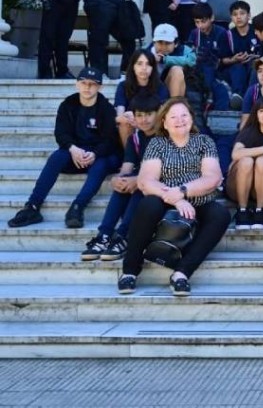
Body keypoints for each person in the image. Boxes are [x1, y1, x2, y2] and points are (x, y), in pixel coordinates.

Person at [117, 98, 230, 296]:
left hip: (198, 200)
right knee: (148, 205)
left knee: (220, 214)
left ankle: (182, 273)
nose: (180, 120)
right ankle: (130, 270)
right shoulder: (157, 143)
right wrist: (176, 198)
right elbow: (145, 181)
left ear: (192, 119)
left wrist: (184, 191)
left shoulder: (204, 141)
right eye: (174, 117)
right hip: (164, 199)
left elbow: (213, 177)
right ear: (165, 123)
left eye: (184, 115)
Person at [8, 67, 120, 229]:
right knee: (56, 157)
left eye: (92, 84)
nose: (87, 87)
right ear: (77, 85)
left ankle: (77, 208)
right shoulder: (68, 105)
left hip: (98, 156)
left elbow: (110, 140)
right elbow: (61, 133)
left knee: (102, 164)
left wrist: (95, 154)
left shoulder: (106, 109)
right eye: (83, 83)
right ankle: (32, 206)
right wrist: (72, 148)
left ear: (100, 87)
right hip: (75, 153)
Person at [80, 93, 162, 262]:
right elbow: (127, 166)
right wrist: (118, 179)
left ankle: (124, 236)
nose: (144, 119)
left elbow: (166, 171)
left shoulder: (165, 137)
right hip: (143, 179)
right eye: (139, 115)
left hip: (161, 185)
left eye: (148, 114)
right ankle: (104, 235)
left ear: (158, 113)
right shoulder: (135, 138)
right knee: (123, 184)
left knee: (141, 187)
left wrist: (138, 180)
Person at [226, 96, 263, 230]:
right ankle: (242, 211)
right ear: (256, 115)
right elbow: (235, 154)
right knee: (246, 161)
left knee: (262, 162)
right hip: (237, 185)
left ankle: (260, 211)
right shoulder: (249, 131)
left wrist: (253, 153)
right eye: (261, 111)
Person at [113, 49, 170, 146]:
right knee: (124, 124)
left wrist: (144, 121)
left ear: (152, 68)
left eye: (148, 64)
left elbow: (163, 113)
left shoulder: (160, 87)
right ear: (133, 67)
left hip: (152, 124)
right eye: (139, 63)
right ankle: (129, 158)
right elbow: (119, 115)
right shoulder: (123, 86)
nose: (144, 68)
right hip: (131, 125)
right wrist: (128, 118)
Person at [187, 3, 232, 110]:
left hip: (218, 69)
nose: (200, 26)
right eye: (197, 22)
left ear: (212, 18)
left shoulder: (221, 33)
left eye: (203, 21)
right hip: (197, 69)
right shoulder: (194, 34)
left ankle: (208, 97)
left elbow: (225, 56)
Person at [222, 0, 260, 98]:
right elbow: (223, 60)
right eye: (235, 14)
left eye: (242, 13)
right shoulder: (227, 35)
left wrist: (255, 56)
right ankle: (238, 97)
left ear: (249, 15)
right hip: (235, 68)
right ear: (231, 17)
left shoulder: (258, 31)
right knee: (237, 68)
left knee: (255, 65)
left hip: (254, 65)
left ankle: (252, 97)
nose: (238, 17)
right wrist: (233, 59)